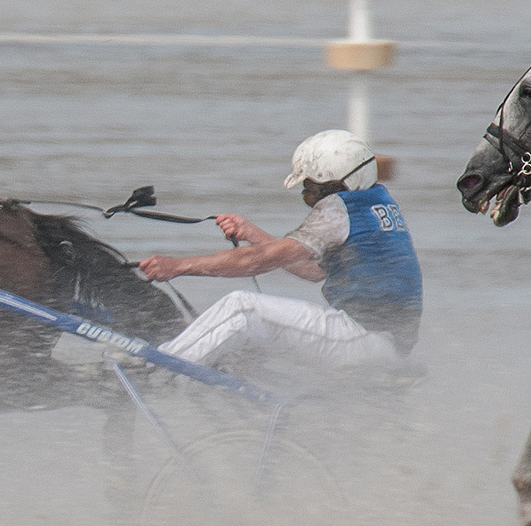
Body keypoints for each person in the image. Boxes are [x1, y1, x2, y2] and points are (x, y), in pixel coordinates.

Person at [137, 129, 421, 371]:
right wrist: (252, 233)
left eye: (310, 186)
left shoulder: (339, 209)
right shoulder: (377, 203)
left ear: (340, 182)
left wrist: (176, 267)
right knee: (250, 336)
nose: (306, 195)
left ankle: (156, 371)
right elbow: (314, 271)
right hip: (385, 345)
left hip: (363, 339)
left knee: (243, 308)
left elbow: (253, 264)